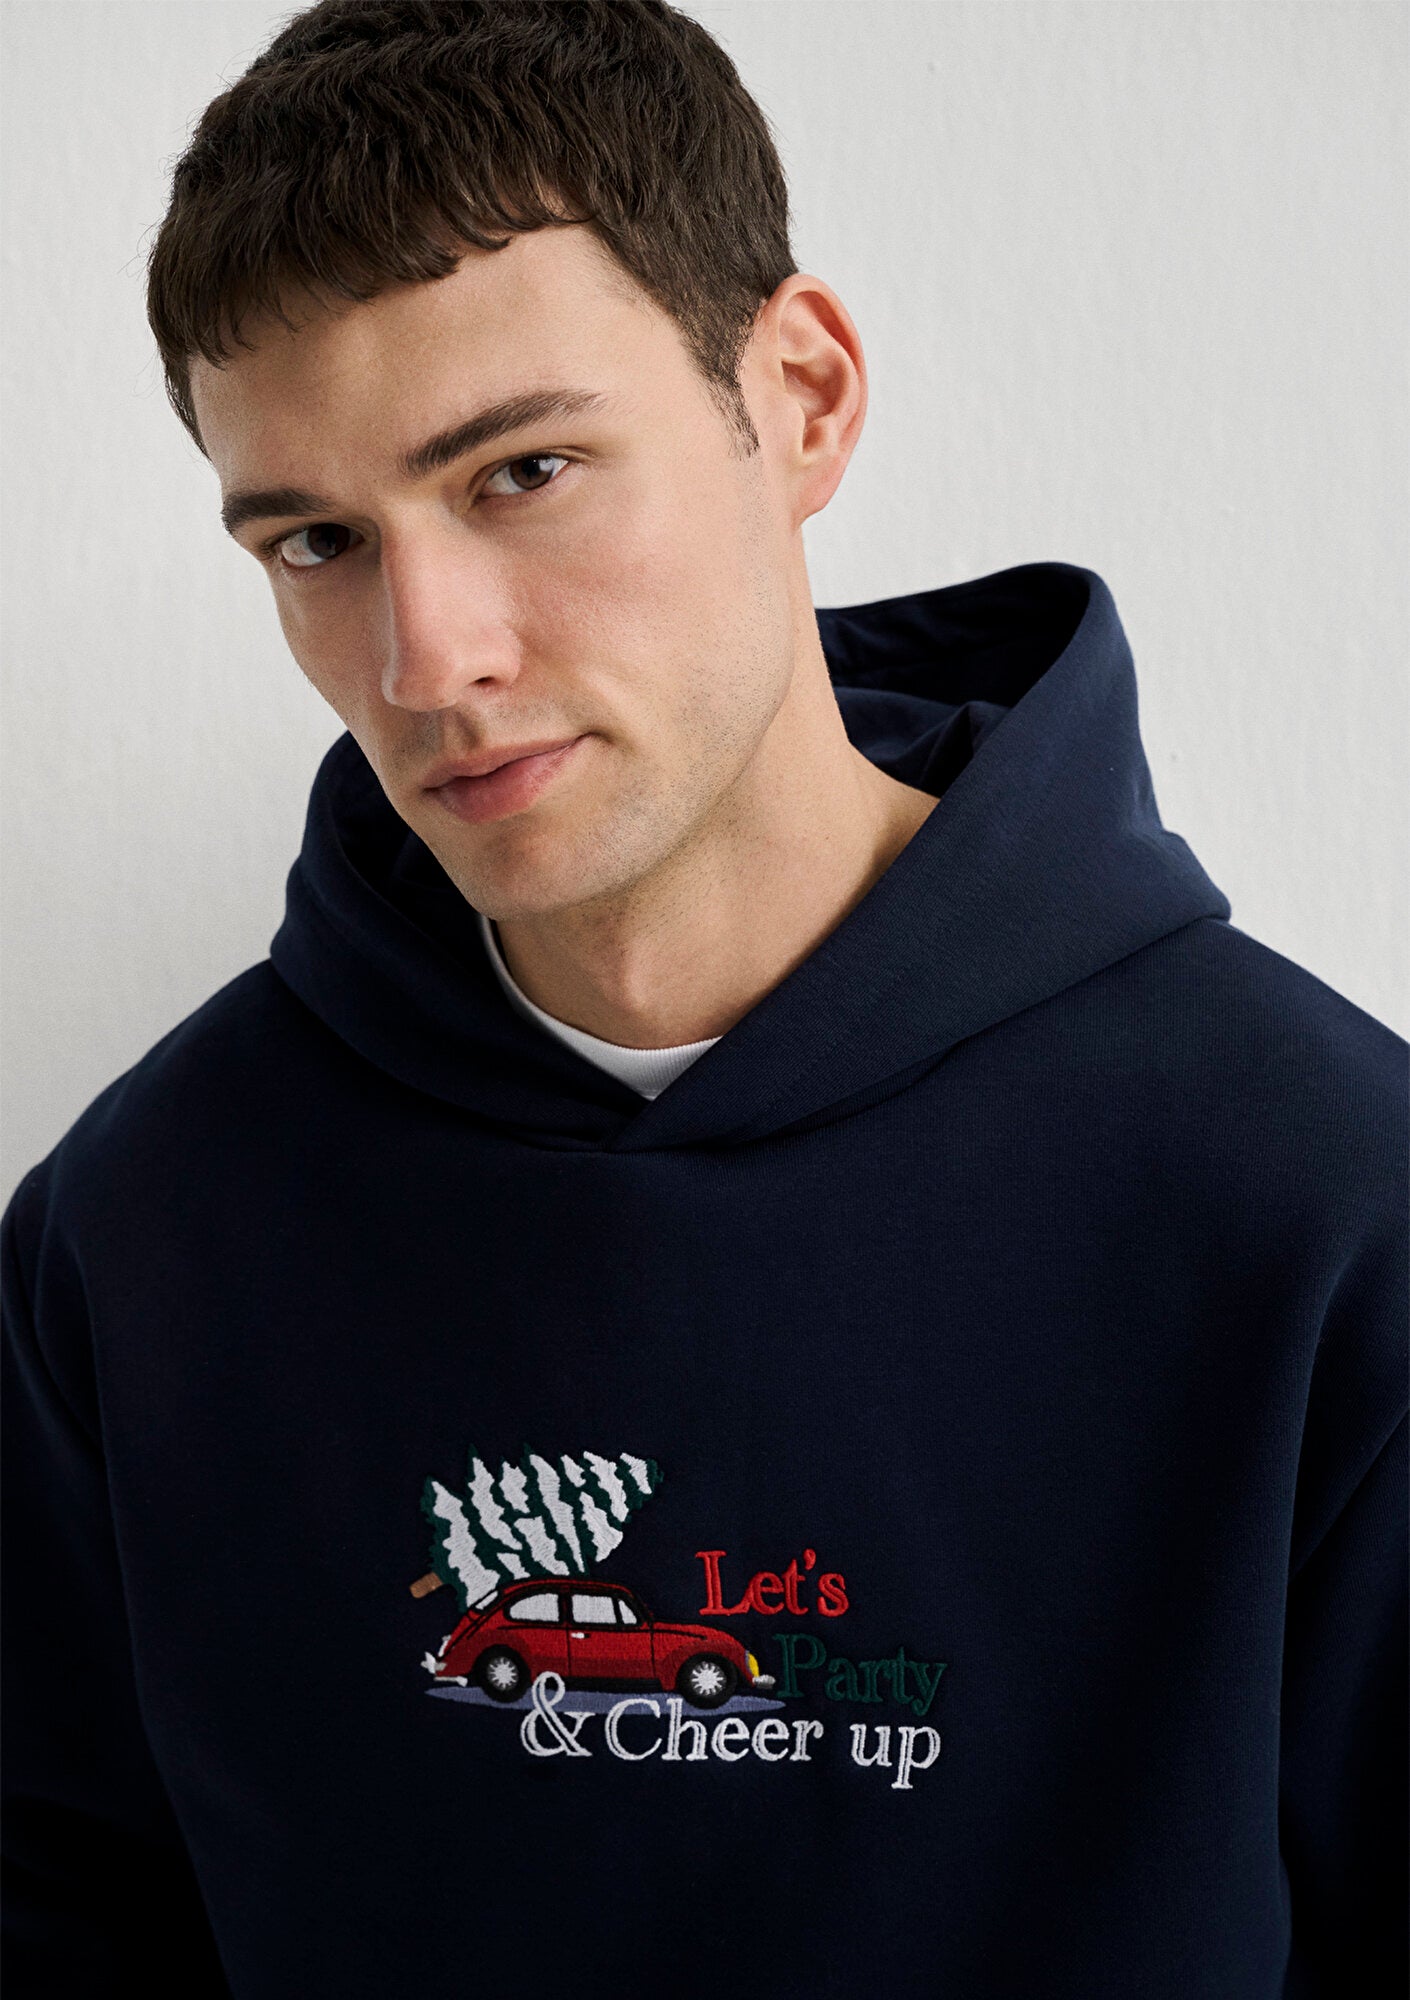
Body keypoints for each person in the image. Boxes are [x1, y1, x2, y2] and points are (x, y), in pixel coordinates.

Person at [3, 1, 1404, 1993]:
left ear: (802, 398)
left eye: (522, 471)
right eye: (316, 541)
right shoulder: (135, 1230)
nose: (426, 659)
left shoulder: (1326, 1207)